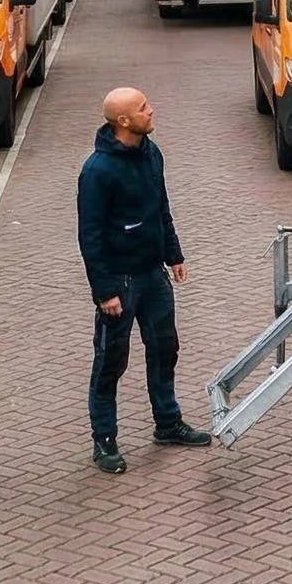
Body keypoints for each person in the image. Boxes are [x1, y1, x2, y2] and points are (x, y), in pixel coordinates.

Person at [78, 86, 212, 473]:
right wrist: (105, 291)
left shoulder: (152, 153)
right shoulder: (97, 172)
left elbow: (161, 206)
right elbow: (90, 236)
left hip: (153, 275)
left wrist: (173, 253)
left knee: (165, 348)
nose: (152, 111)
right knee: (110, 361)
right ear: (123, 121)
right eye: (143, 108)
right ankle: (104, 441)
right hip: (119, 282)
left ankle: (167, 423)